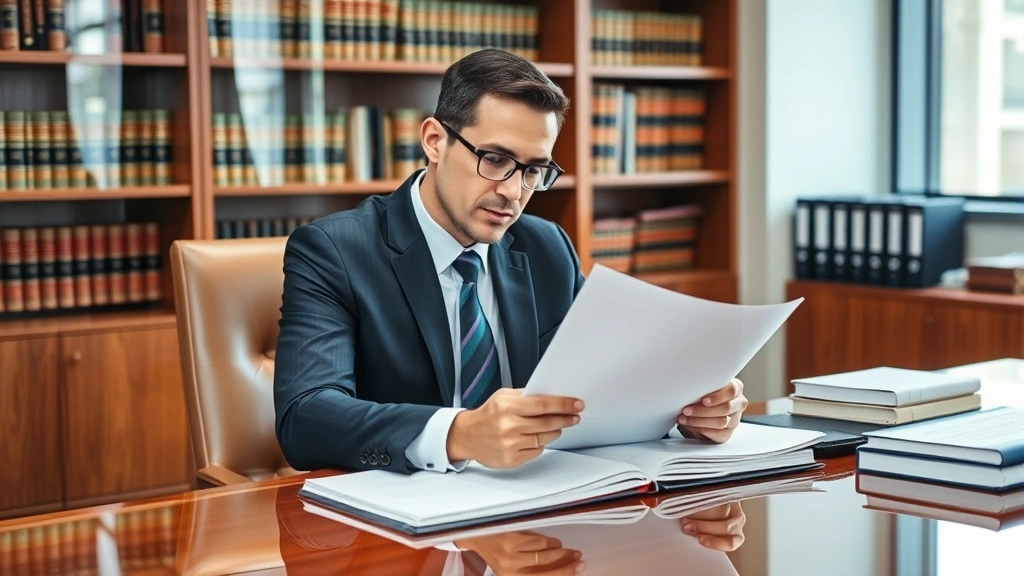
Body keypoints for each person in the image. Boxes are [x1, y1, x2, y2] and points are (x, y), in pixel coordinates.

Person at [273, 48, 748, 475]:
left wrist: (685, 413)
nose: (513, 192)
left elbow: (605, 383)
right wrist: (462, 434)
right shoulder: (334, 250)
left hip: (531, 512)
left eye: (534, 170)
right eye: (496, 159)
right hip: (399, 532)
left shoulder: (546, 247)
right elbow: (306, 415)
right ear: (435, 140)